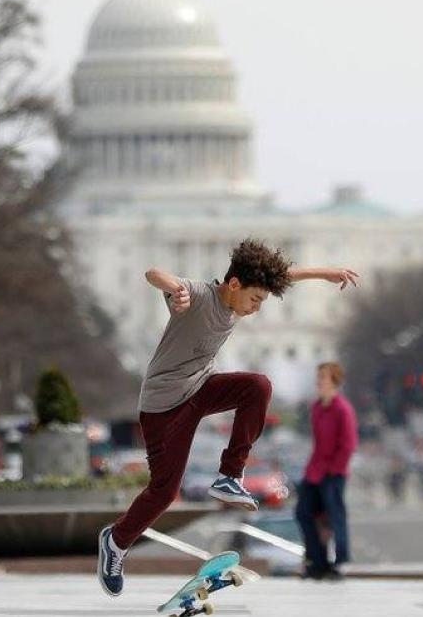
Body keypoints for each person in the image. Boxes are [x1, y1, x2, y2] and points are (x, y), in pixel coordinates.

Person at [98, 238, 359, 597]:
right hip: (164, 406)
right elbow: (152, 273)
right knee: (164, 490)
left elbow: (282, 275)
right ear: (234, 285)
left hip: (201, 389)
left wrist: (324, 273)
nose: (254, 309)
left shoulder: (239, 298)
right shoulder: (201, 295)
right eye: (254, 300)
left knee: (257, 387)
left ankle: (229, 475)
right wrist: (175, 289)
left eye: (260, 302)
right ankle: (116, 541)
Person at [295, 361, 358, 580]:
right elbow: (318, 443)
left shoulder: (342, 409)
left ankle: (340, 562)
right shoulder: (316, 408)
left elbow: (348, 444)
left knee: (334, 516)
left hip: (333, 473)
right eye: (318, 377)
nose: (318, 381)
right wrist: (310, 471)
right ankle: (317, 561)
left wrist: (334, 470)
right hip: (315, 471)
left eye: (323, 377)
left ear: (334, 382)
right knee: (303, 513)